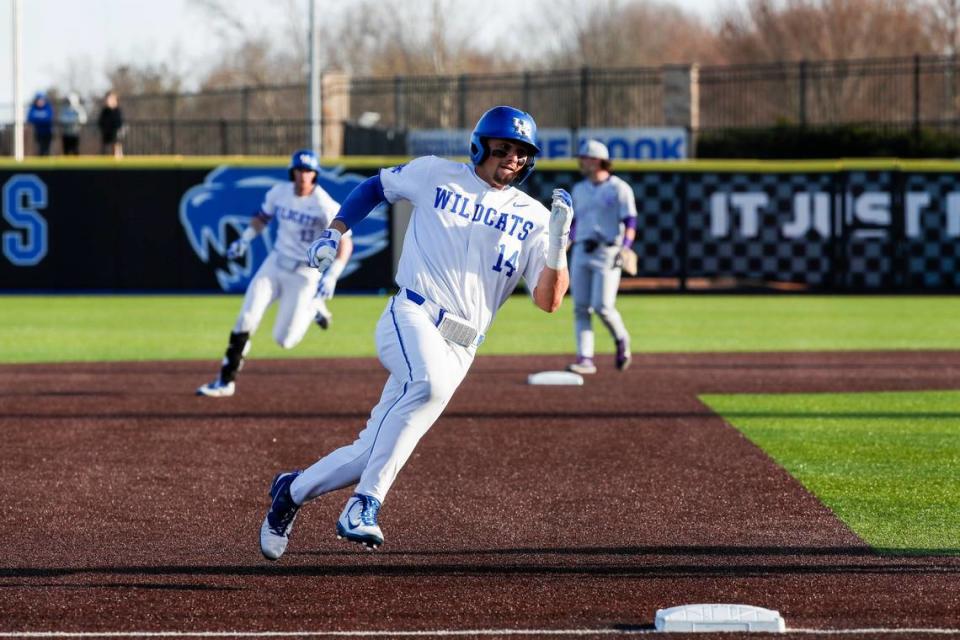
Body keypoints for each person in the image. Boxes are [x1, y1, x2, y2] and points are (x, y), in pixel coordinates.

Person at [258, 105, 573, 559]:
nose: (513, 158)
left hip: (464, 346)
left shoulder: (536, 216)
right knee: (427, 383)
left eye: (523, 153)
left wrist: (558, 244)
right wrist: (335, 230)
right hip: (412, 313)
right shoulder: (436, 174)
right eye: (504, 147)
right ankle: (364, 505)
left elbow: (549, 301)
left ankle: (292, 491)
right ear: (480, 145)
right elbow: (375, 186)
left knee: (372, 450)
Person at [196, 149, 353, 398]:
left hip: (304, 273)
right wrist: (245, 239)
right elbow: (262, 218)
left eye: (308, 171)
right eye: (300, 170)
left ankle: (314, 306)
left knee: (285, 340)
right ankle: (226, 381)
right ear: (292, 172)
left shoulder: (324, 204)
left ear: (315, 175)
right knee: (246, 318)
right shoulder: (279, 193)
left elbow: (345, 242)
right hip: (275, 263)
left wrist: (333, 274)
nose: (303, 176)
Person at [566, 139, 637, 375]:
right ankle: (585, 358)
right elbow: (575, 223)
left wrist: (626, 246)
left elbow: (630, 220)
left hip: (608, 250)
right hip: (581, 250)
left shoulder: (619, 188)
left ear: (597, 160)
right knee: (580, 307)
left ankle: (621, 339)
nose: (581, 162)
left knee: (603, 306)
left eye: (585, 158)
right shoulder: (578, 189)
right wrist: (565, 244)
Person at [97, 90, 125, 158]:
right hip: (106, 133)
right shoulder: (105, 111)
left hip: (115, 133)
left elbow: (119, 122)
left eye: (110, 99)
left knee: (116, 146)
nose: (108, 101)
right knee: (105, 149)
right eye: (107, 99)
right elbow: (100, 122)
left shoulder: (117, 111)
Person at [26, 92, 54, 156]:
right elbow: (30, 118)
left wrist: (39, 120)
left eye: (41, 100)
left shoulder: (47, 107)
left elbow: (48, 118)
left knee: (46, 148)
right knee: (39, 148)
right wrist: (41, 120)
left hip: (47, 132)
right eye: (38, 100)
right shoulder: (33, 108)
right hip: (37, 132)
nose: (40, 102)